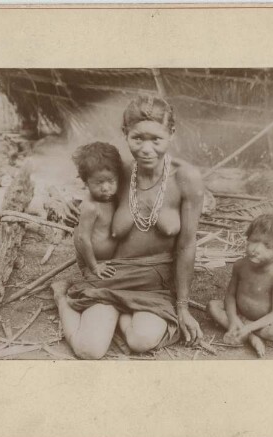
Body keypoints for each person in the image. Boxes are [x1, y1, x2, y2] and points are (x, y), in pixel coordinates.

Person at [53, 95, 204, 359]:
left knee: (142, 340)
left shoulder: (186, 178)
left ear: (171, 134)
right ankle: (61, 297)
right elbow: (85, 225)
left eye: (156, 139)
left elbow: (187, 245)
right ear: (125, 133)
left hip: (155, 283)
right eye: (138, 139)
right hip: (114, 277)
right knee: (89, 350)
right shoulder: (116, 175)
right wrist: (89, 269)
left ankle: (119, 314)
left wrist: (182, 307)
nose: (147, 149)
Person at [207, 213, 273, 357]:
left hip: (263, 323)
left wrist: (249, 327)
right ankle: (251, 338)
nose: (256, 249)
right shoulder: (240, 266)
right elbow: (230, 296)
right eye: (254, 241)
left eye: (267, 246)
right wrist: (234, 318)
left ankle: (244, 331)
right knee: (212, 306)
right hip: (239, 315)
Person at [71, 142, 122, 280]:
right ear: (86, 183)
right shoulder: (91, 206)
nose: (106, 188)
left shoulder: (114, 199)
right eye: (98, 183)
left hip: (110, 259)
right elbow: (83, 239)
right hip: (93, 262)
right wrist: (93, 267)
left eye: (111, 181)